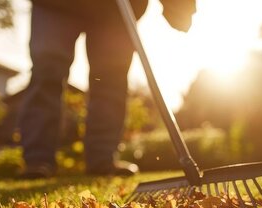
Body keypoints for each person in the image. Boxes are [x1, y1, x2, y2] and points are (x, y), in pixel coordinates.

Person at [19, 0, 196, 178]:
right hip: (56, 4)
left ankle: (102, 160)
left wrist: (180, 8)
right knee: (47, 73)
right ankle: (37, 160)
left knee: (110, 80)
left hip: (117, 10)